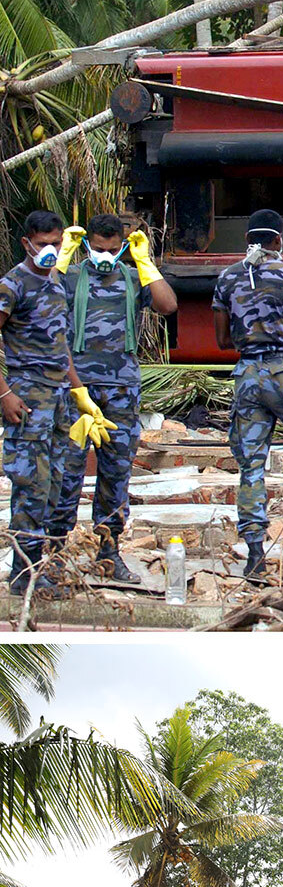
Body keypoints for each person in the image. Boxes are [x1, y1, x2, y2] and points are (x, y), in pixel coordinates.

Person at [48, 214, 177, 583]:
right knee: (67, 471)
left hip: (122, 388)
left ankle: (108, 553)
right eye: (98, 248)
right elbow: (42, 297)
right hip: (76, 390)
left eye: (112, 249)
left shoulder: (134, 277)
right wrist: (62, 257)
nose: (105, 255)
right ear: (87, 244)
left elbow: (168, 306)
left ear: (122, 245)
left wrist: (144, 261)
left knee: (116, 472)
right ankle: (55, 555)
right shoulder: (71, 277)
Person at [0, 211, 111, 597]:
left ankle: (43, 566)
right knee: (32, 485)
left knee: (59, 485)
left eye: (56, 242)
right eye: (43, 242)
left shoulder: (54, 285)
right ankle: (24, 575)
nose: (50, 249)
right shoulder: (12, 286)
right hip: (27, 396)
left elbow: (60, 346)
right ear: (26, 242)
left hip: (60, 397)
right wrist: (4, 394)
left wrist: (81, 395)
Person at [212, 209, 283, 584]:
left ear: (248, 240)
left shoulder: (227, 278)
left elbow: (222, 340)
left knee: (251, 464)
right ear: (277, 240)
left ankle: (256, 555)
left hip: (246, 376)